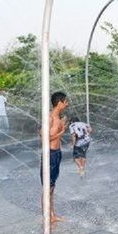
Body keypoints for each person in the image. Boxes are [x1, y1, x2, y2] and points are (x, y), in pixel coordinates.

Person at [40, 91, 69, 223]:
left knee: (52, 187)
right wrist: (61, 133)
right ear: (59, 103)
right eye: (65, 101)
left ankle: (52, 214)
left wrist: (62, 128)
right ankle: (47, 217)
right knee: (47, 187)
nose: (67, 104)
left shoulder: (58, 118)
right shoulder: (50, 117)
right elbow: (43, 136)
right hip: (49, 155)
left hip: (57, 153)